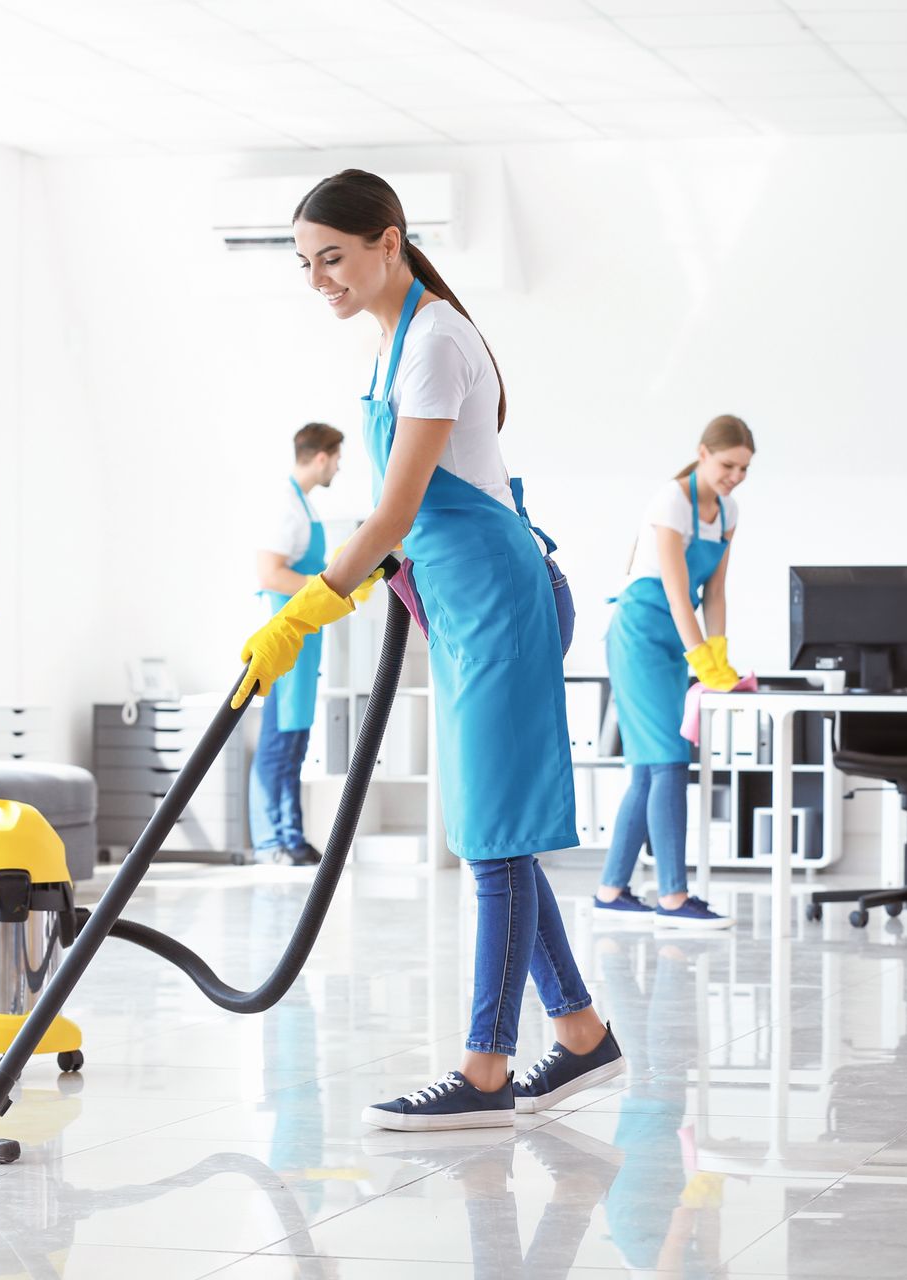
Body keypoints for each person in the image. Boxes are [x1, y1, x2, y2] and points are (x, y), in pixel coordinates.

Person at [233, 168, 623, 1131]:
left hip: (498, 598)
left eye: (333, 257)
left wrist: (304, 612)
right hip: (457, 600)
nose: (319, 278)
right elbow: (400, 514)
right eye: (306, 263)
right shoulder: (390, 345)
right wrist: (371, 579)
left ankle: (485, 1073)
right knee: (497, 832)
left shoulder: (437, 340)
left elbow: (400, 507)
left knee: (490, 840)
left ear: (389, 241)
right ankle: (580, 1038)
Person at [596, 416, 756, 929]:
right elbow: (672, 587)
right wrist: (700, 659)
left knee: (649, 766)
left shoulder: (727, 511)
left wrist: (720, 651)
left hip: (676, 639)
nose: (735, 475)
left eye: (745, 468)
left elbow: (715, 591)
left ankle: (612, 889)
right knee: (667, 760)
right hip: (642, 633)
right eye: (728, 464)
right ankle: (672, 896)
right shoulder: (671, 500)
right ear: (703, 453)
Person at [248, 423, 344, 866]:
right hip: (284, 635)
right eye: (337, 457)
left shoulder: (304, 505)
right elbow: (270, 574)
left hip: (305, 639)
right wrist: (322, 589)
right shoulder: (285, 506)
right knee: (278, 738)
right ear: (321, 456)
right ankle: (271, 842)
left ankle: (291, 836)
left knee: (295, 740)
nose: (339, 466)